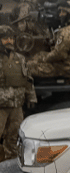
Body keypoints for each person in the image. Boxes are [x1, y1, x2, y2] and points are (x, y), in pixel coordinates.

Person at [0, 25, 38, 159]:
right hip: (1, 106)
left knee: (13, 138)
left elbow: (27, 78)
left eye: (11, 38)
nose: (9, 41)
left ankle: (9, 168)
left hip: (16, 106)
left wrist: (31, 97)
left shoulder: (20, 58)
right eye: (5, 38)